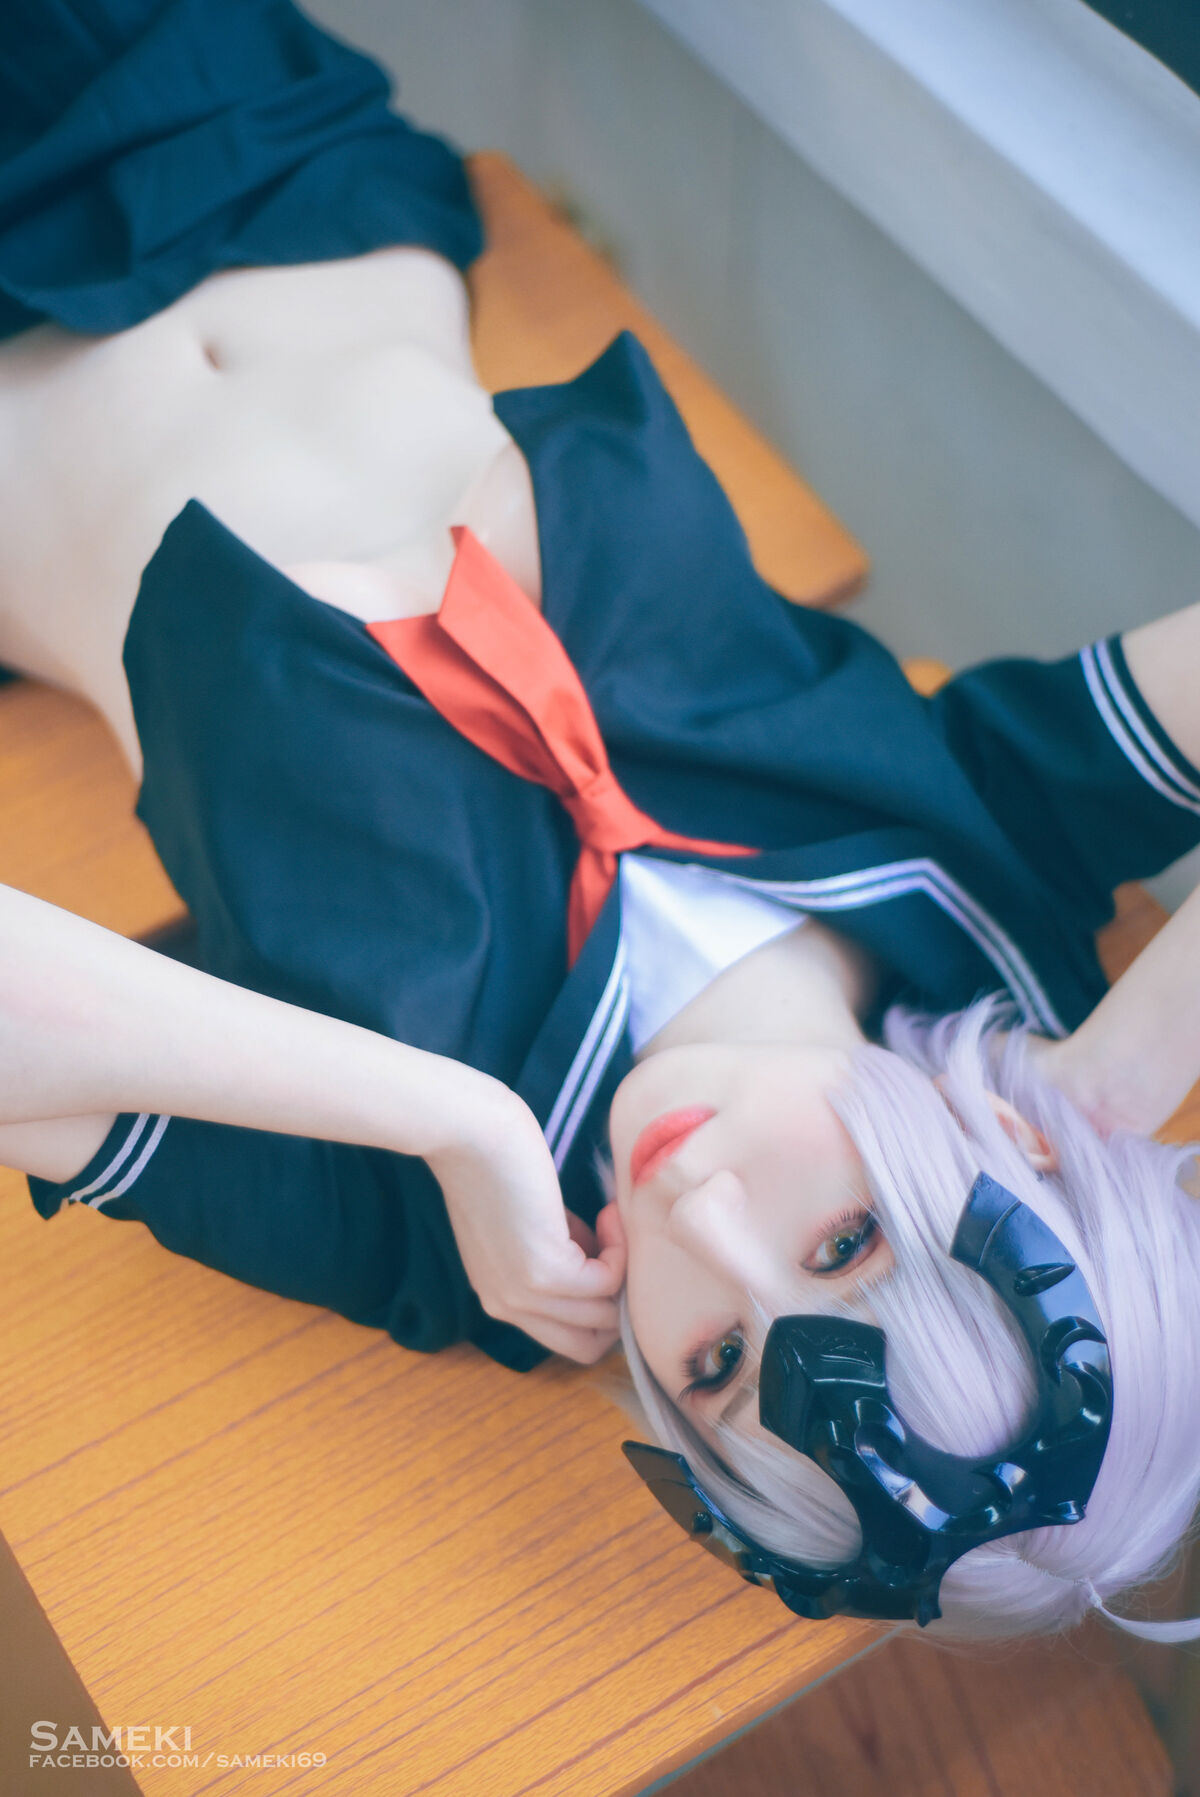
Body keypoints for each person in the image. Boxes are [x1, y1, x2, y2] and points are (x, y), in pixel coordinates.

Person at [2, 0, 1200, 1642]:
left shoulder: (440, 1230)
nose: (698, 1220)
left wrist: (456, 1122)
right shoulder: (983, 867)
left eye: (711, 1361)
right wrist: (1131, 1061)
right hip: (242, 127)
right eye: (844, 1240)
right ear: (1012, 1156)